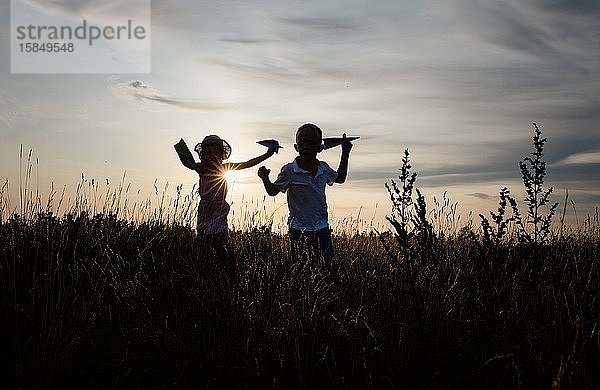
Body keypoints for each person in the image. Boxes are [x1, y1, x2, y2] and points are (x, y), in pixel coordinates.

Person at [257, 123, 353, 272]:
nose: (306, 147)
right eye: (302, 143)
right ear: (296, 147)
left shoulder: (324, 168)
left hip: (322, 228)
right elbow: (273, 191)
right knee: (301, 269)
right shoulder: (290, 170)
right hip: (299, 230)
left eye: (311, 143)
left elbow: (340, 178)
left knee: (328, 268)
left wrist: (345, 152)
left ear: (320, 148)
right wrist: (265, 178)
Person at [178, 134, 277, 275]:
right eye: (208, 153)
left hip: (219, 209)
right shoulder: (201, 169)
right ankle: (201, 269)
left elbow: (248, 163)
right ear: (203, 156)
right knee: (202, 241)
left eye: (216, 153)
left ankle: (227, 269)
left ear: (221, 155)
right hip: (205, 210)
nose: (212, 156)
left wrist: (268, 154)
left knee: (219, 240)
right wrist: (183, 153)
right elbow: (188, 163)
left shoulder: (225, 168)